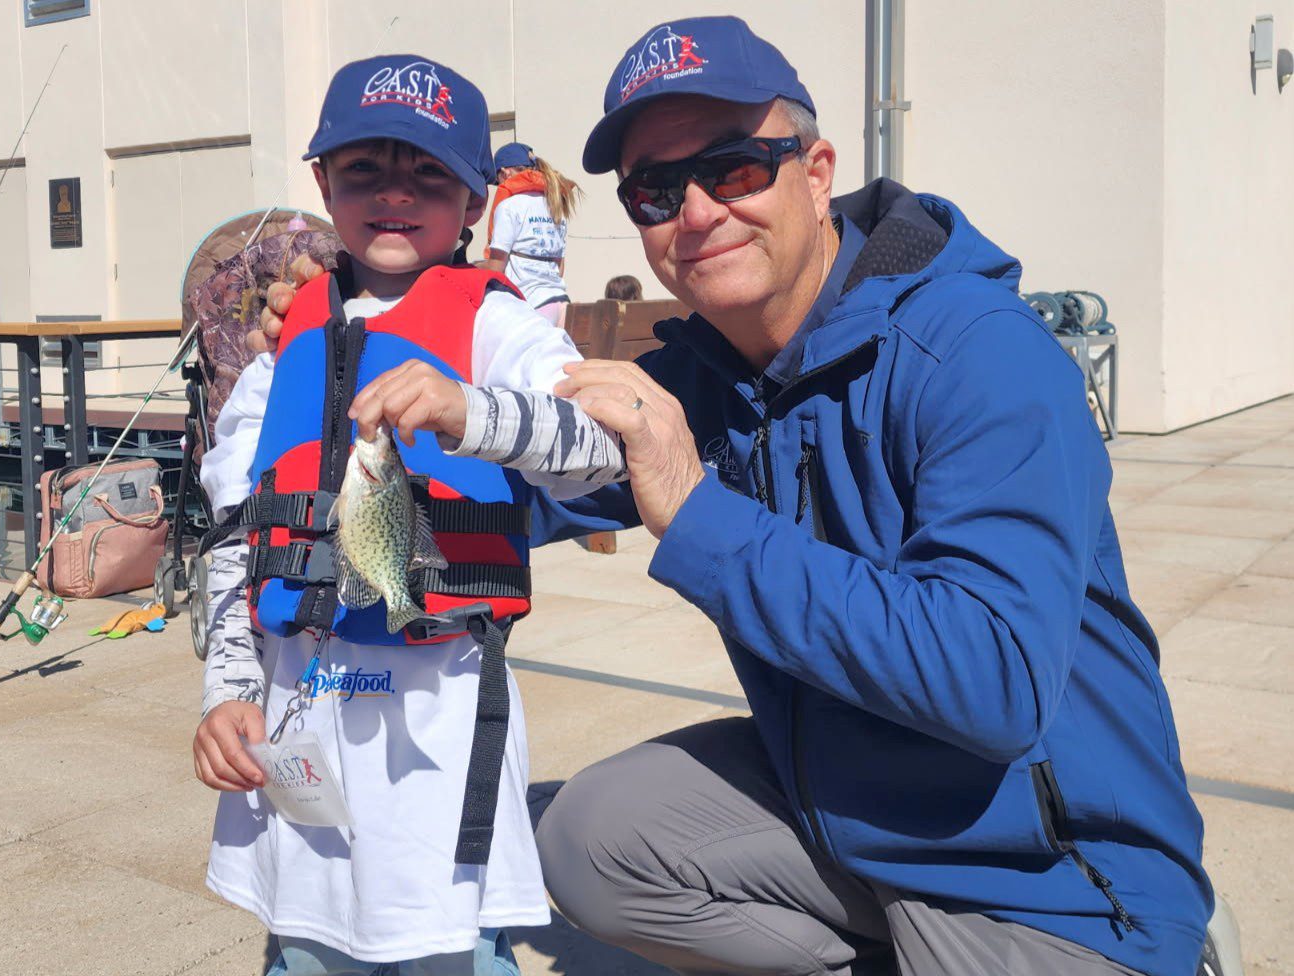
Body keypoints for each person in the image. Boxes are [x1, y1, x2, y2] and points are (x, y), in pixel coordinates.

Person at [524, 15, 1215, 976]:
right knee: (591, 838)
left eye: (734, 167)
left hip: (1048, 881)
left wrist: (697, 510)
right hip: (857, 820)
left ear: (814, 173)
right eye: (654, 188)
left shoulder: (981, 354)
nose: (696, 213)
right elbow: (520, 491)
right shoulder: (713, 373)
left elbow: (996, 684)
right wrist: (364, 391)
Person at [191, 54, 625, 976]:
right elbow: (236, 531)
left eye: (430, 172)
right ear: (323, 184)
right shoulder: (280, 351)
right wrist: (227, 688)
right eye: (365, 169)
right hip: (295, 708)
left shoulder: (500, 327)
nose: (395, 193)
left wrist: (473, 412)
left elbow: (599, 452)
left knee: (452, 950)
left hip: (438, 719)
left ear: (475, 203)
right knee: (301, 950)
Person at [481, 142, 581, 328]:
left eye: (498, 179)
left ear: (505, 173)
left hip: (531, 304)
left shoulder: (509, 206)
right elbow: (559, 267)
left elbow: (496, 267)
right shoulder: (556, 205)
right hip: (561, 301)